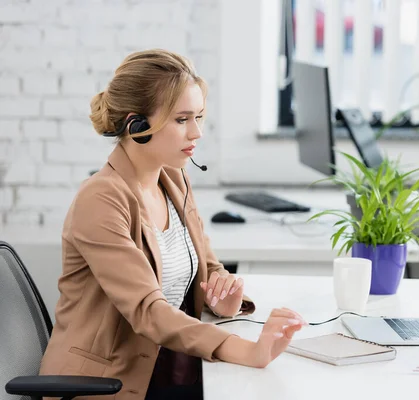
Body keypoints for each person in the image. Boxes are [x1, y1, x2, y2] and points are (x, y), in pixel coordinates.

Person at [39, 49, 306, 400]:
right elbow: (149, 310)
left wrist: (221, 295)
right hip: (109, 382)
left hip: (167, 367)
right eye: (182, 120)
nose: (196, 132)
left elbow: (207, 264)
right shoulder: (101, 200)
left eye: (198, 116)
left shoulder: (174, 178)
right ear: (137, 126)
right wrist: (246, 350)